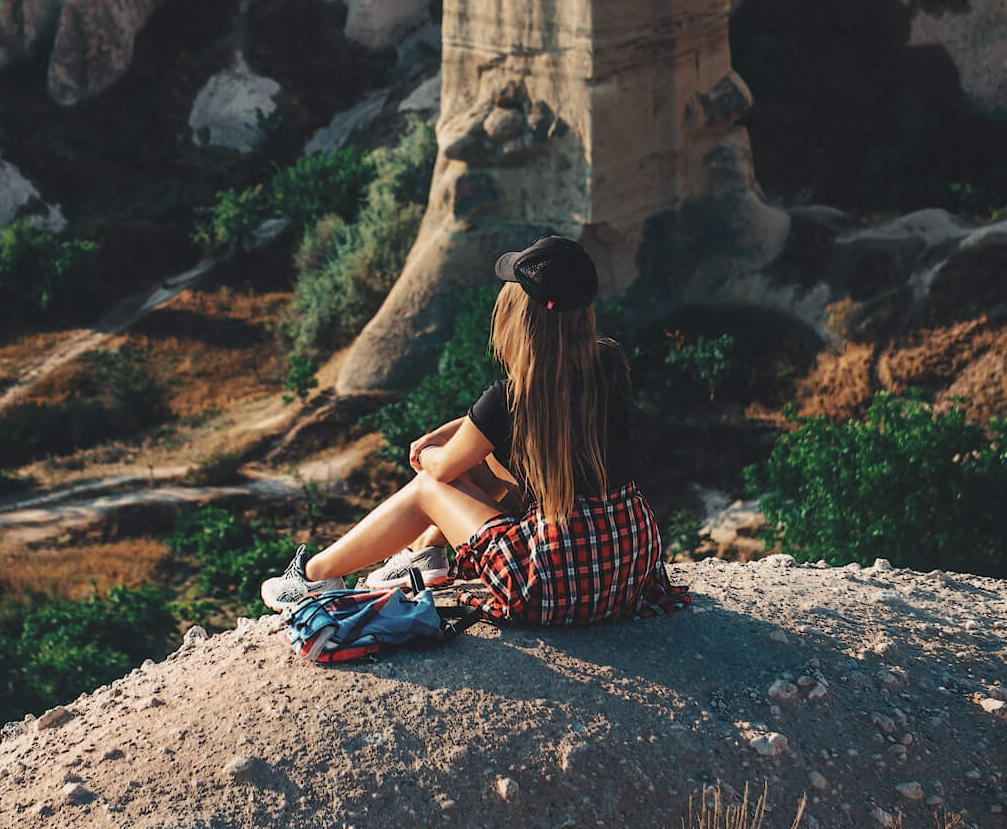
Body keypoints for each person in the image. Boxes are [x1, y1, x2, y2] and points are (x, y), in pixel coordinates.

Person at [260, 235, 688, 626]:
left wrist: (426, 453)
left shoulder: (511, 398)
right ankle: (426, 556)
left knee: (430, 486)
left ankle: (313, 578)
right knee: (488, 460)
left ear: (517, 317)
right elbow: (504, 427)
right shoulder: (608, 366)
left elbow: (444, 471)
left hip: (554, 584)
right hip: (628, 564)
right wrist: (461, 431)